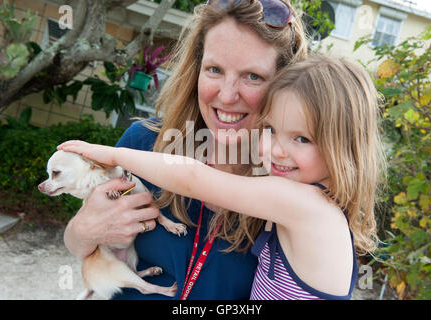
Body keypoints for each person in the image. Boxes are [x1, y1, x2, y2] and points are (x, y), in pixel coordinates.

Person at [59, 54, 386, 300]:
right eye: (271, 129)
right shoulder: (307, 202)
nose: (277, 150)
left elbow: (193, 178)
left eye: (302, 138)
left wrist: (113, 155)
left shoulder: (305, 204)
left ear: (343, 147)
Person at [63, 0, 307, 299]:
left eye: (252, 76)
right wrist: (83, 231)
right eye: (215, 69)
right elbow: (82, 249)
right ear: (196, 71)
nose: (227, 96)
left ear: (285, 85)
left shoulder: (294, 183)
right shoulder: (142, 144)